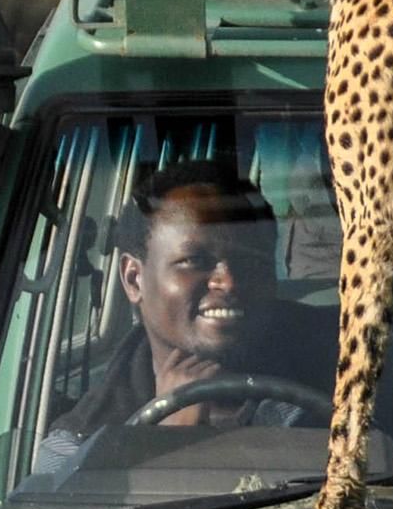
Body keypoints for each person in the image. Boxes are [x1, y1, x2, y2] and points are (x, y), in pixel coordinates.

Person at [31, 163, 323, 484]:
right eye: (195, 261)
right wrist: (161, 445)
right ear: (134, 279)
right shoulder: (78, 442)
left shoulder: (349, 369)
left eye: (251, 261)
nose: (229, 282)